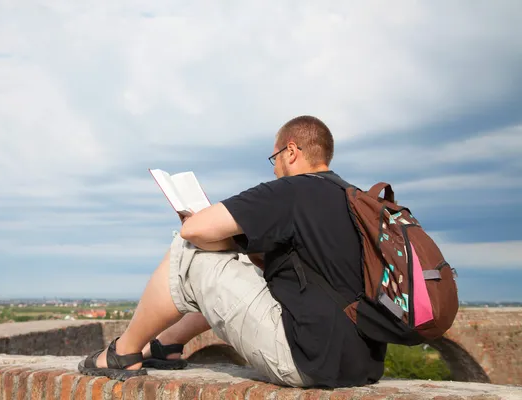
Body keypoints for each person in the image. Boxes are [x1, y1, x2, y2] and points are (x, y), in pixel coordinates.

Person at [78, 115, 387, 388]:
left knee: (186, 250)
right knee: (238, 261)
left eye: (275, 158)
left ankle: (123, 353)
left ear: (291, 151)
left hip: (308, 360)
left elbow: (193, 232)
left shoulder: (291, 191)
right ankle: (167, 345)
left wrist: (194, 221)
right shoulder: (352, 198)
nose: (276, 169)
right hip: (362, 363)